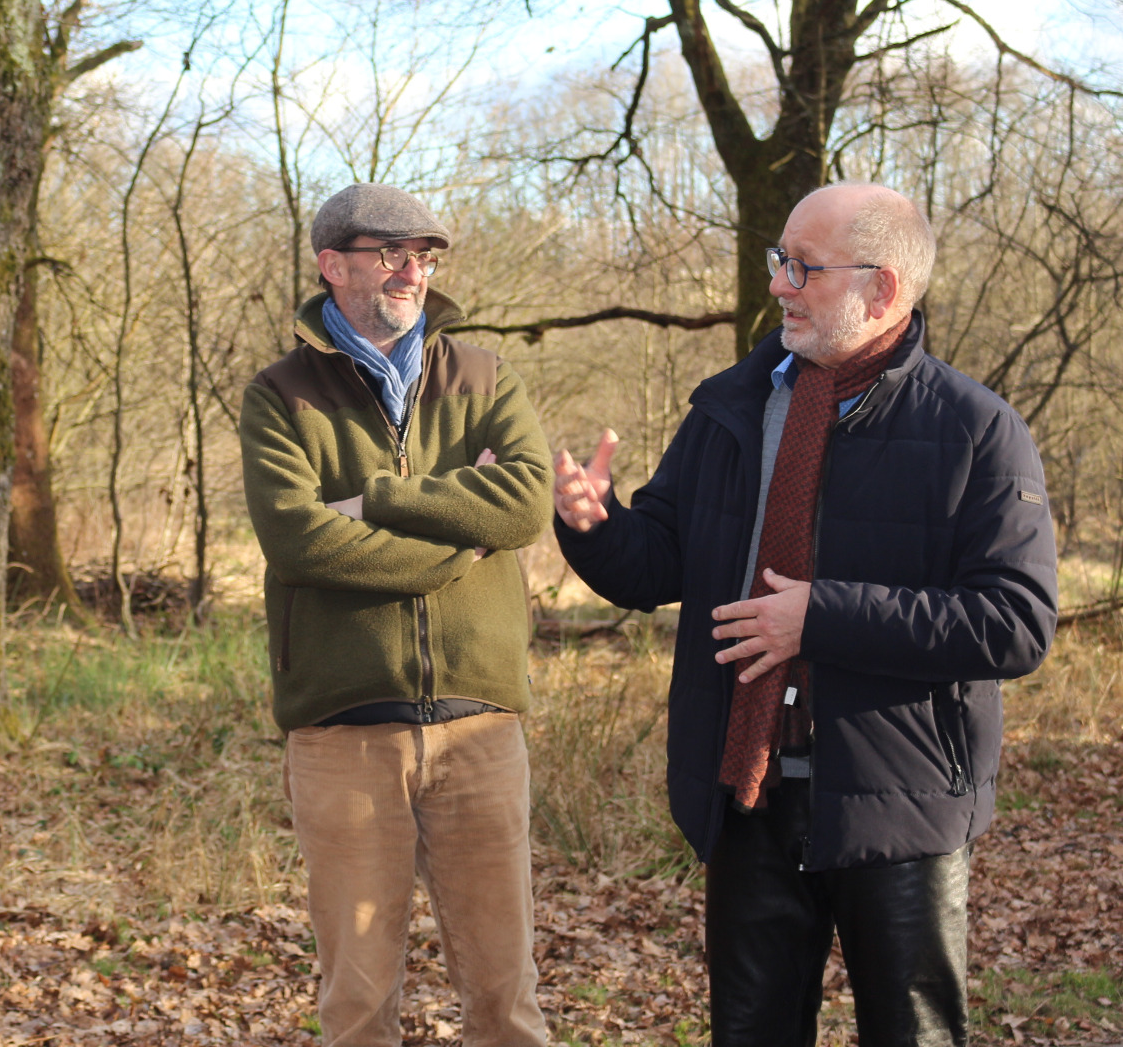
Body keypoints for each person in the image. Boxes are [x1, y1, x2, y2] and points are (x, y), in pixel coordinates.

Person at [552, 182, 1058, 1046]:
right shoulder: (731, 407)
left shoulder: (978, 429)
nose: (780, 283)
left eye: (804, 267)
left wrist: (818, 618)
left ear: (883, 289)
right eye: (779, 261)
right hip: (748, 796)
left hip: (900, 808)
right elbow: (658, 565)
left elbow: (1013, 621)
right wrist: (594, 528)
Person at [239, 183, 552, 1047]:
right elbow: (302, 545)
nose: (413, 271)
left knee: (505, 997)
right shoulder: (281, 395)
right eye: (390, 252)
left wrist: (374, 499)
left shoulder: (486, 376)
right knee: (358, 1002)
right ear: (331, 264)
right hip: (344, 732)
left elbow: (524, 509)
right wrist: (461, 539)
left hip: (482, 728)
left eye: (426, 255)